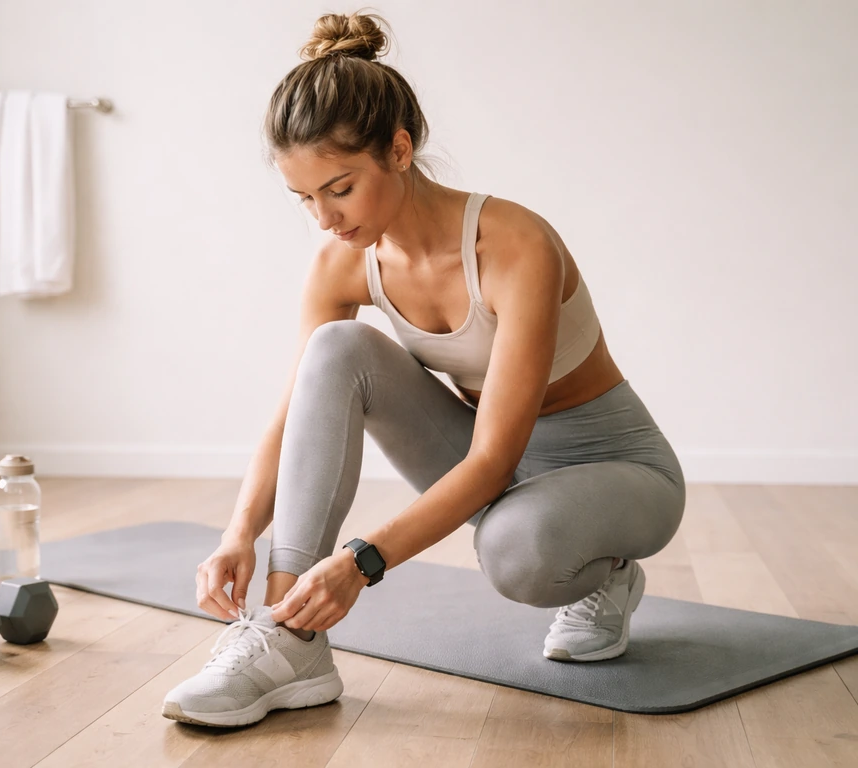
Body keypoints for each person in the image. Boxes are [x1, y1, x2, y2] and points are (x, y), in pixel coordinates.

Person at [162, 11, 686, 728]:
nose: (323, 217)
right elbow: (294, 413)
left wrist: (361, 563)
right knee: (334, 351)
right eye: (305, 198)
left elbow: (496, 458)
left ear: (400, 150)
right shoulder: (342, 262)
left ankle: (607, 576)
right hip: (491, 464)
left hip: (616, 469)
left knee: (516, 554)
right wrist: (238, 533)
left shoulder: (515, 246)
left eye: (339, 189)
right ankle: (291, 640)